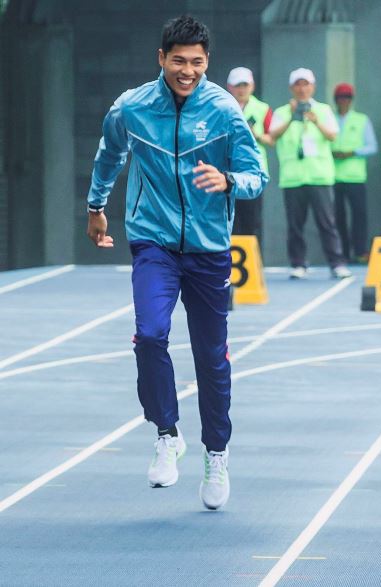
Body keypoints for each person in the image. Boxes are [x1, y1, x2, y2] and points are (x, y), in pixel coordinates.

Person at [85, 15, 268, 510]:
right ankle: (167, 433)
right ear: (161, 59)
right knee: (149, 334)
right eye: (178, 61)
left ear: (207, 63)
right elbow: (109, 155)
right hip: (154, 244)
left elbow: (257, 174)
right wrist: (97, 208)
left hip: (209, 250)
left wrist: (230, 181)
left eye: (197, 62)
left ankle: (217, 453)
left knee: (211, 359)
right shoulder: (132, 108)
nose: (187, 70)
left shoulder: (224, 110)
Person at [268, 68, 349, 279]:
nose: (302, 88)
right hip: (293, 177)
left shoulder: (323, 110)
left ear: (313, 87)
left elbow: (332, 135)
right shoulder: (282, 112)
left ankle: (337, 263)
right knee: (295, 224)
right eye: (298, 84)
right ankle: (298, 263)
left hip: (319, 175)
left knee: (327, 222)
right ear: (291, 88)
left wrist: (315, 121)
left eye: (306, 84)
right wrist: (292, 118)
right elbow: (273, 136)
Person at [226, 66, 275, 243]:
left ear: (252, 86)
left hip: (253, 171)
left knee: (252, 219)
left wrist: (257, 135)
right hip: (228, 170)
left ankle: (253, 262)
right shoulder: (223, 106)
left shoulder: (262, 108)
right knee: (229, 219)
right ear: (229, 87)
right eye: (237, 85)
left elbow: (272, 139)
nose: (241, 89)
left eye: (245, 85)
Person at [331, 82, 378, 264]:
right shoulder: (330, 119)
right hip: (334, 175)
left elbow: (371, 146)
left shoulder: (361, 120)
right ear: (336, 100)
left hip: (355, 175)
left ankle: (360, 250)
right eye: (341, 97)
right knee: (338, 216)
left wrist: (353, 152)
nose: (344, 100)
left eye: (347, 97)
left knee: (359, 215)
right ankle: (342, 252)